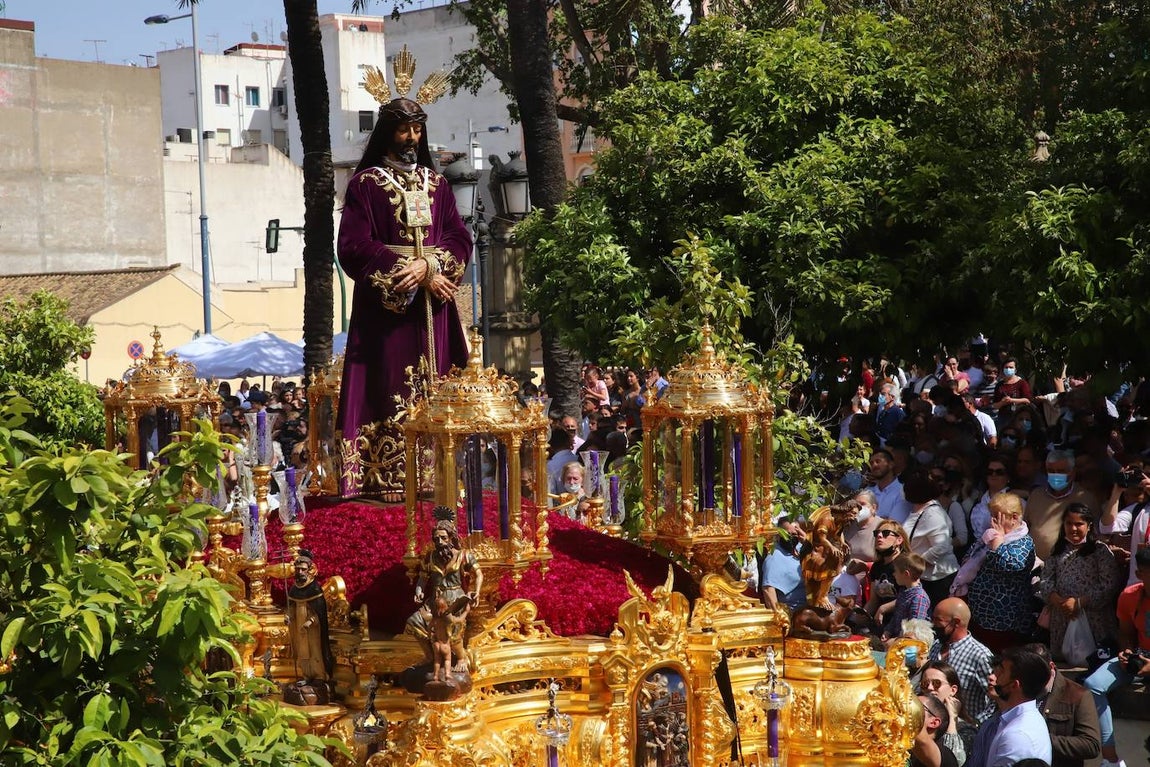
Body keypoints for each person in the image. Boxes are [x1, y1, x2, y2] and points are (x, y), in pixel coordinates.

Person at [335, 63, 473, 499]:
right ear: (387, 132)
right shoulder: (365, 185)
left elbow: (458, 236)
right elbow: (354, 246)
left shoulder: (437, 184)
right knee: (388, 380)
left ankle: (441, 472)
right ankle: (386, 474)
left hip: (435, 307)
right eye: (404, 130)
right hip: (388, 311)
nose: (412, 138)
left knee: (439, 383)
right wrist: (405, 273)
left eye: (417, 131)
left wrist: (432, 270)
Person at [1081, 547, 1150, 767]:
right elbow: (1125, 633)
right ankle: (1110, 759)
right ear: (1140, 574)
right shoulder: (1130, 596)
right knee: (1092, 685)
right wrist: (1126, 651)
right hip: (1141, 657)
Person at [1038, 503, 1120, 664]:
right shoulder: (1059, 550)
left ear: (1089, 526)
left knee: (1093, 661)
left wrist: (1079, 602)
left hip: (1093, 618)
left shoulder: (1100, 551)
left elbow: (1109, 583)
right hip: (1062, 617)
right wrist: (1058, 600)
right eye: (1069, 523)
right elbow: (1046, 579)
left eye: (1079, 524)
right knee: (1064, 661)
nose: (1073, 528)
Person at [958, 493, 1037, 653]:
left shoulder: (1023, 542)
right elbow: (970, 555)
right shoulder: (990, 535)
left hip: (1004, 618)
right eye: (991, 515)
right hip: (980, 615)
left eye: (997, 516)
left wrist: (998, 543)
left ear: (1014, 517)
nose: (992, 521)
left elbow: (1010, 565)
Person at [406, 509, 483, 671]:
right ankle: (429, 656)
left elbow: (478, 573)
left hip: (456, 600)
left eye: (443, 538)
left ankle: (461, 658)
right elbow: (423, 578)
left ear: (451, 538)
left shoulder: (464, 555)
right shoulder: (430, 557)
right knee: (414, 622)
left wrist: (477, 591)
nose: (440, 542)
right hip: (435, 600)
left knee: (452, 631)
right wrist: (419, 590)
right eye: (436, 539)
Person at [966, 647, 1053, 767]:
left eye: (1001, 672)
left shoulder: (1017, 736)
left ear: (1014, 685)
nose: (992, 676)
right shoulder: (1008, 720)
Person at [1022, 643, 1102, 767]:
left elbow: (1091, 745)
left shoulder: (1078, 695)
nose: (1033, 681)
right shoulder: (1017, 689)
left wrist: (1041, 739)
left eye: (1037, 674)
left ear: (1051, 667)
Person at [928, 598, 996, 724]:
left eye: (938, 620)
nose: (933, 624)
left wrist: (975, 725)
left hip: (962, 731)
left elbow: (996, 698)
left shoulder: (980, 656)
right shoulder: (935, 646)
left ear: (956, 622)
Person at [1027, 449, 1100, 561]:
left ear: (1072, 472)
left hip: (1071, 568)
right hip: (1036, 567)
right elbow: (1026, 527)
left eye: (1061, 471)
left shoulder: (1086, 499)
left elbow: (1095, 536)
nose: (1055, 475)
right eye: (1051, 471)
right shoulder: (1036, 495)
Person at [902, 470, 960, 605]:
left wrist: (918, 564)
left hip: (938, 581)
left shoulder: (932, 513)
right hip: (924, 579)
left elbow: (942, 546)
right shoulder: (920, 510)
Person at [286, 550, 334, 685]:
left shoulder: (314, 589)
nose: (300, 572)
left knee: (314, 651)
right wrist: (288, 616)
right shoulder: (294, 589)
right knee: (302, 653)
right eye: (298, 569)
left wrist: (311, 621)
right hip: (298, 627)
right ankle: (306, 675)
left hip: (313, 629)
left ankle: (319, 676)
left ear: (309, 570)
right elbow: (291, 607)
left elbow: (320, 612)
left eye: (303, 569)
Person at [920, 660, 979, 765]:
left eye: (936, 683)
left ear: (953, 690)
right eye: (925, 683)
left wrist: (952, 718)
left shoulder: (966, 729)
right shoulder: (916, 718)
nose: (930, 688)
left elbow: (955, 760)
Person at [876, 551, 931, 644]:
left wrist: (896, 640)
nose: (894, 574)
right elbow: (896, 616)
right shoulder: (904, 592)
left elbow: (915, 630)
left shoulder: (919, 598)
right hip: (898, 643)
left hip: (911, 649)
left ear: (906, 574)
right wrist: (888, 631)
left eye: (896, 571)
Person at [760, 516, 807, 611]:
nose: (791, 538)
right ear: (778, 536)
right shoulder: (774, 557)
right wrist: (779, 617)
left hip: (809, 611)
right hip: (791, 614)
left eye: (794, 534)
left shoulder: (801, 549)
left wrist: (807, 542)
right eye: (787, 534)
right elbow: (768, 590)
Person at [912, 693, 962, 767]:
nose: (906, 707)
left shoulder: (945, 756)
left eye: (916, 706)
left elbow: (922, 741)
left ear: (934, 722)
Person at [869, 448, 913, 524]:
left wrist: (867, 519)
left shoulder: (903, 491)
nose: (874, 465)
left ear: (891, 464)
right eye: (871, 463)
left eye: (878, 461)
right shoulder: (867, 492)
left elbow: (893, 524)